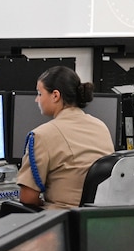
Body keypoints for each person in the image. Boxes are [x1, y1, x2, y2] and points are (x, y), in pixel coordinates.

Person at [16, 66, 114, 209]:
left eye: (39, 93)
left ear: (55, 95)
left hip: (62, 222)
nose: (37, 100)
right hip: (96, 220)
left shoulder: (42, 135)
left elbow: (28, 197)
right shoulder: (100, 126)